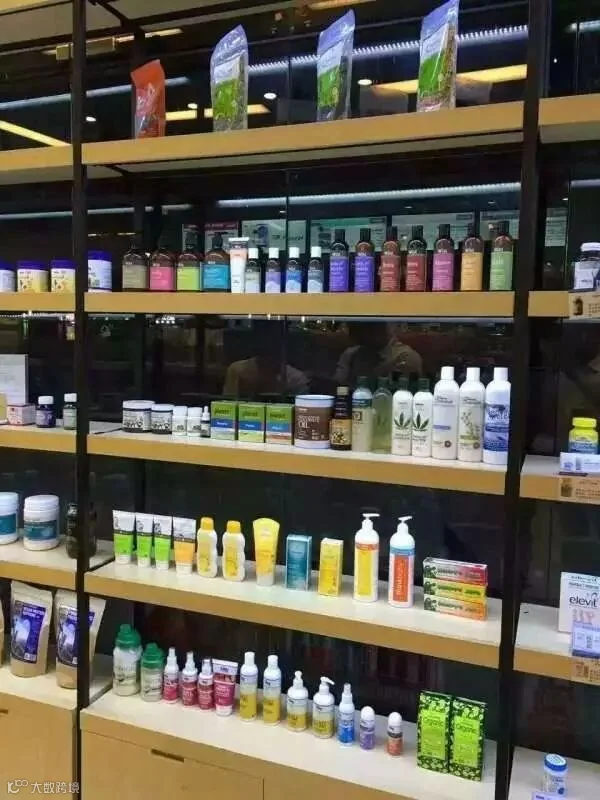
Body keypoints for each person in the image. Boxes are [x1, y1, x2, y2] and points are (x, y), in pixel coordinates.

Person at [223, 321, 308, 396]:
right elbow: (228, 403)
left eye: (274, 342)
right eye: (266, 342)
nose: (270, 347)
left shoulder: (297, 379)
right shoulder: (237, 370)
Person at [334, 323, 422, 387]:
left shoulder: (405, 356)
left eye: (358, 329)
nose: (352, 334)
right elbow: (339, 386)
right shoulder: (351, 354)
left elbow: (402, 394)